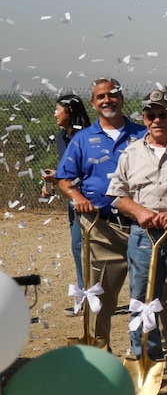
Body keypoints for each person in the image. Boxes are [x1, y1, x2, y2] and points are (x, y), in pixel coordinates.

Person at [55, 78, 146, 350]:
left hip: (142, 228)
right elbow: (64, 178)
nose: (107, 100)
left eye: (112, 95)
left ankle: (148, 353)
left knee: (150, 296)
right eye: (101, 97)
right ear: (93, 103)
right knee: (100, 299)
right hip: (102, 229)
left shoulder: (142, 134)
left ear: (122, 98)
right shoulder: (83, 139)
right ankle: (99, 353)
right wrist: (78, 198)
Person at [106, 91, 167, 363]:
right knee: (143, 300)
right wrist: (140, 212)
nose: (157, 120)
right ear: (144, 119)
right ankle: (148, 356)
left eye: (163, 114)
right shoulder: (131, 153)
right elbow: (117, 195)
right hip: (143, 237)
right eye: (151, 115)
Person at [44, 93, 91, 291]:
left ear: (69, 111)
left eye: (58, 110)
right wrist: (52, 180)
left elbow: (86, 170)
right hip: (72, 200)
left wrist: (58, 176)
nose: (55, 114)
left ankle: (87, 295)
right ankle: (86, 292)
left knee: (81, 247)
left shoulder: (86, 136)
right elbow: (66, 167)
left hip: (88, 199)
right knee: (78, 247)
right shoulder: (61, 137)